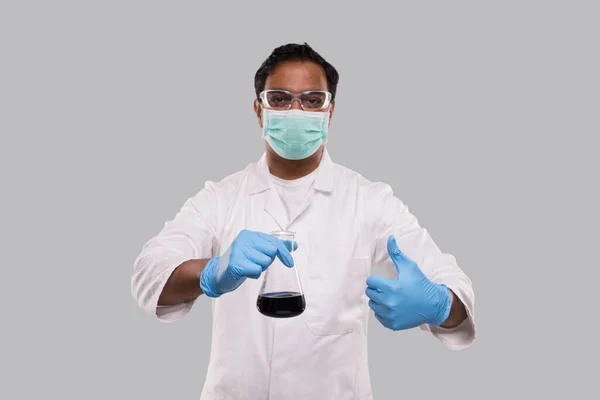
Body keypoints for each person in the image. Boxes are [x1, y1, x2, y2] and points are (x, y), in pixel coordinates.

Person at [131, 42, 476, 399]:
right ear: (258, 109)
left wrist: (439, 305)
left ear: (330, 111)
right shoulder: (220, 198)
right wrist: (212, 271)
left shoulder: (370, 201)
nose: (296, 110)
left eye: (312, 100)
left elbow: (453, 288)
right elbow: (149, 273)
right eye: (280, 99)